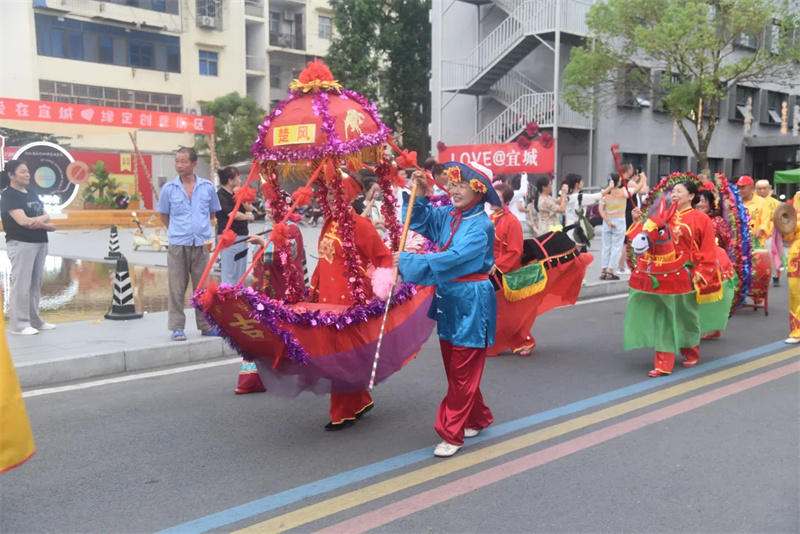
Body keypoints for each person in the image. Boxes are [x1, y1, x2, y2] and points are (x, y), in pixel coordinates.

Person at [397, 161, 500, 458]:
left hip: (472, 301)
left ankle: (451, 432)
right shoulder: (448, 215)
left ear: (478, 191)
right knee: (455, 369)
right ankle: (478, 417)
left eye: (462, 185)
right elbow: (420, 220)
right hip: (449, 298)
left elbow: (455, 258)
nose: (454, 189)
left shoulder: (481, 226)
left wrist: (406, 262)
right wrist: (420, 192)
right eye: (453, 183)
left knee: (462, 370)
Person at [310, 175, 393, 430]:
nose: (330, 198)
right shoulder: (329, 222)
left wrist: (381, 287)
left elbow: (384, 258)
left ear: (349, 195)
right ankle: (360, 401)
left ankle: (342, 412)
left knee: (340, 357)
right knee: (338, 355)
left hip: (349, 301)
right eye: (328, 193)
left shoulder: (360, 224)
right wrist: (312, 290)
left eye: (336, 193)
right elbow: (324, 262)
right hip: (327, 299)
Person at [630, 180, 720, 376]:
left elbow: (708, 249)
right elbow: (646, 239)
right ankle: (663, 362)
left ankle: (690, 350)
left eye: (680, 191)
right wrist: (637, 222)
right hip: (663, 272)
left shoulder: (700, 218)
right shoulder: (661, 217)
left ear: (691, 196)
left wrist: (702, 272)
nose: (674, 194)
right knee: (664, 315)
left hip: (688, 272)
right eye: (673, 191)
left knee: (687, 314)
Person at [157, 147, 222, 341]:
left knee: (202, 288)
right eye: (177, 161)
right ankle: (177, 327)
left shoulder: (207, 187)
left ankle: (205, 324)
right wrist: (176, 231)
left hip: (200, 245)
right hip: (178, 245)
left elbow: (212, 212)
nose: (179, 165)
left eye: (183, 161)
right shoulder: (169, 189)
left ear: (194, 164)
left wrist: (199, 228)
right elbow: (163, 214)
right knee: (176, 288)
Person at [237, 221, 306, 395]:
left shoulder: (293, 229)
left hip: (283, 293)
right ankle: (252, 379)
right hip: (264, 292)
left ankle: (302, 374)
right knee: (259, 333)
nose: (267, 209)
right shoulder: (267, 228)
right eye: (266, 206)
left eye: (271, 206)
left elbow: (286, 255)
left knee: (288, 336)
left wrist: (262, 243)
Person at [0, 160, 57, 335]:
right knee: (21, 284)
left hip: (40, 241)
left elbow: (46, 214)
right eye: (22, 171)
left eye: (27, 171)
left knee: (35, 284)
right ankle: (19, 325)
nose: (27, 174)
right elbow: (23, 221)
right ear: (11, 175)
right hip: (21, 243)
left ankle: (34, 320)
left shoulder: (31, 192)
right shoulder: (9, 195)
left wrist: (40, 222)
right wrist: (47, 226)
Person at [695, 186, 737, 341]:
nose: (700, 204)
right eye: (698, 201)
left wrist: (730, 261)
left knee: (713, 296)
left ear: (711, 203)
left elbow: (729, 242)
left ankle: (714, 327)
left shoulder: (718, 221)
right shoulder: (690, 219)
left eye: (704, 201)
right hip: (694, 262)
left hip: (715, 262)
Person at [216, 166, 255, 285]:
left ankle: (239, 292)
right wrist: (248, 217)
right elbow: (232, 214)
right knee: (230, 271)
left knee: (240, 271)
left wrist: (241, 196)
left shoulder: (237, 192)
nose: (240, 181)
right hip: (229, 237)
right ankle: (227, 292)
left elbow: (250, 208)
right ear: (230, 181)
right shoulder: (221, 195)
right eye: (238, 178)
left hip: (243, 235)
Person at [564, 173, 611, 251]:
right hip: (577, 230)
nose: (583, 183)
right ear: (576, 184)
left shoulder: (567, 197)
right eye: (581, 181)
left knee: (574, 253)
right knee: (576, 253)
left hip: (568, 228)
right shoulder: (581, 197)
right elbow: (598, 196)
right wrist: (610, 187)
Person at [599, 173, 627, 280]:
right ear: (618, 182)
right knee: (616, 247)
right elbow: (638, 189)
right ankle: (610, 271)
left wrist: (608, 221)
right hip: (619, 223)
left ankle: (603, 271)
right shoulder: (623, 192)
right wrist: (642, 179)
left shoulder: (604, 192)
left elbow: (601, 210)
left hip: (607, 223)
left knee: (606, 247)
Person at [782, 192, 800, 344]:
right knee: (795, 293)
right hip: (796, 256)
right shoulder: (796, 201)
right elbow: (788, 236)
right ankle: (797, 331)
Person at [756, 179, 781, 286]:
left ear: (769, 189)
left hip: (770, 234)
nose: (762, 191)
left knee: (771, 255)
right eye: (759, 189)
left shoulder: (775, 203)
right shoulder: (754, 201)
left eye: (764, 188)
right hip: (755, 234)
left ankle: (775, 275)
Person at [738, 175, 769, 249]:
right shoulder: (735, 203)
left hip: (756, 243)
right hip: (739, 244)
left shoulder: (762, 202)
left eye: (742, 187)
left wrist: (760, 230)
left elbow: (765, 221)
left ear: (751, 187)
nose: (739, 190)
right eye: (738, 187)